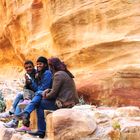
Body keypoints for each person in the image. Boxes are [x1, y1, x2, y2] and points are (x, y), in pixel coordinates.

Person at [23, 57, 79, 138]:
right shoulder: (63, 73)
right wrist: (46, 91)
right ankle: (28, 116)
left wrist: (44, 95)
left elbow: (53, 94)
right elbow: (55, 90)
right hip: (68, 101)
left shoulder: (58, 75)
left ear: (53, 66)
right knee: (40, 95)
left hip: (65, 103)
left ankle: (40, 129)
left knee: (40, 103)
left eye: (49, 66)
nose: (49, 68)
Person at [16, 56, 52, 131]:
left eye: (40, 64)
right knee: (21, 99)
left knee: (38, 97)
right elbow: (35, 88)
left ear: (45, 64)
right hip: (40, 95)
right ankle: (17, 120)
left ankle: (25, 113)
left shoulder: (47, 73)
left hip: (47, 95)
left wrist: (31, 83)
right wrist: (29, 82)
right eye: (37, 64)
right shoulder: (40, 73)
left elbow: (42, 89)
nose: (38, 65)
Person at [0, 60, 36, 127]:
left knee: (20, 94)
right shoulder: (28, 75)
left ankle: (11, 113)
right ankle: (14, 122)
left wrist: (30, 82)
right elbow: (26, 87)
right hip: (30, 95)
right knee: (20, 101)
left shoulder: (36, 75)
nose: (28, 69)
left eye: (30, 67)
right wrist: (28, 82)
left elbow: (36, 87)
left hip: (35, 95)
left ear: (33, 67)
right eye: (26, 68)